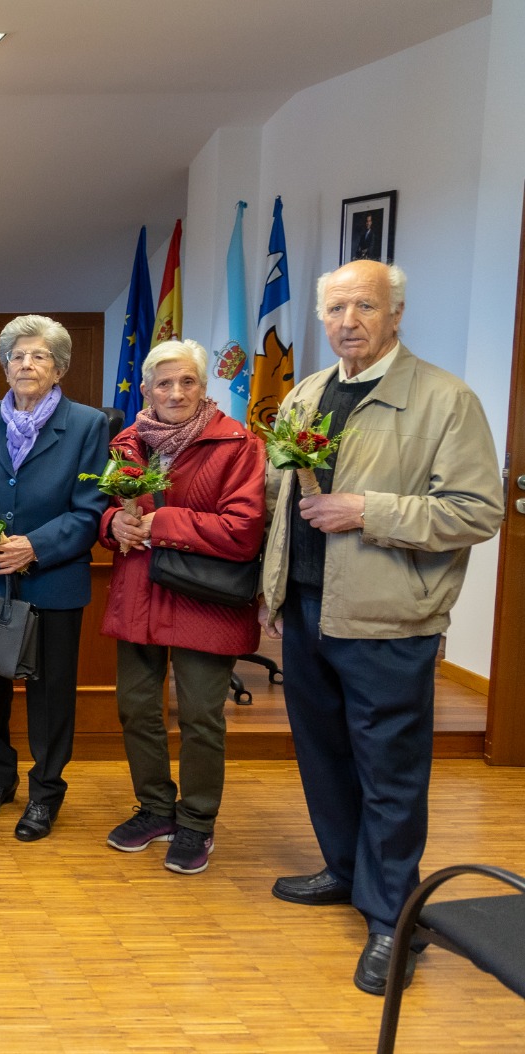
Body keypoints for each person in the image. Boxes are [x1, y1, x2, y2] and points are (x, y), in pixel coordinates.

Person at [261, 260, 502, 994]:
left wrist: (368, 510)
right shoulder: (304, 393)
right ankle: (343, 869)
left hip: (388, 620)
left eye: (365, 306)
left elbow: (476, 511)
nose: (348, 321)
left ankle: (393, 917)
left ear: (396, 314)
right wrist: (269, 592)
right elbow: (281, 501)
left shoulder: (444, 400)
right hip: (308, 611)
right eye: (336, 309)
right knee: (325, 756)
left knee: (390, 775)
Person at [100, 339, 265, 871]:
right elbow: (102, 511)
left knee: (199, 716)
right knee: (136, 709)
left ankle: (196, 821)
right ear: (145, 389)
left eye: (187, 381)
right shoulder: (125, 443)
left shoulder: (239, 444)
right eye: (164, 383)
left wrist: (159, 525)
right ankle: (154, 808)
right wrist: (113, 525)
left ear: (204, 386)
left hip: (206, 601)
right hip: (140, 594)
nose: (176, 392)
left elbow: (243, 531)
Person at [0, 315, 108, 841]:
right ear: (4, 366)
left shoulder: (88, 424)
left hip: (53, 580)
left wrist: (34, 546)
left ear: (60, 367)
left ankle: (45, 793)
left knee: (49, 694)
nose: (26, 364)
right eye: (17, 356)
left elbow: (90, 511)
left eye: (39, 356)